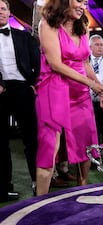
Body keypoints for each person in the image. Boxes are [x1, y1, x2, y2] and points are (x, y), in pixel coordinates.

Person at [35, 0, 103, 196]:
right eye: (79, 1)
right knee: (50, 146)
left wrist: (99, 85)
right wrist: (91, 84)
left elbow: (84, 61)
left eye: (85, 3)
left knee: (85, 142)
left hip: (80, 91)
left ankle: (82, 192)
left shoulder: (83, 25)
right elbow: (56, 64)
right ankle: (38, 202)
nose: (83, 6)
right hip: (54, 89)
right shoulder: (48, 24)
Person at [0, 0, 40, 202]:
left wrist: (33, 83)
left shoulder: (24, 36)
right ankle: (4, 187)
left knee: (31, 139)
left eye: (3, 8)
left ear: (9, 12)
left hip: (22, 88)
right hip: (0, 91)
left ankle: (37, 182)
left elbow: (37, 61)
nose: (0, 12)